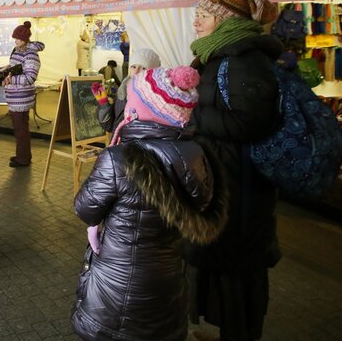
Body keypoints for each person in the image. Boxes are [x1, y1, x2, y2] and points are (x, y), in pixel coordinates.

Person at [73, 66, 228, 341]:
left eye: (133, 100)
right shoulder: (197, 155)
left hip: (116, 288)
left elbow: (85, 208)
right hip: (167, 284)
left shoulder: (118, 159)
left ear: (146, 110)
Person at [183, 0, 282, 341]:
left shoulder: (242, 59)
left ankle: (239, 333)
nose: (195, 21)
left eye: (203, 15)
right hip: (226, 178)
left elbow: (250, 121)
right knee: (221, 261)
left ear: (225, 22)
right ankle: (227, 329)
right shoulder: (220, 55)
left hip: (241, 187)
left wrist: (191, 118)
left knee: (238, 266)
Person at [3, 21, 45, 167]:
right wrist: (5, 68)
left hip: (21, 97)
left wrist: (10, 79)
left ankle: (23, 159)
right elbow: (16, 68)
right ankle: (23, 155)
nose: (15, 41)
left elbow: (30, 77)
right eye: (15, 38)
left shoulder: (31, 54)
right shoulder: (18, 50)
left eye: (18, 38)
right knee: (20, 128)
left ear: (25, 39)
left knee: (21, 129)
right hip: (16, 96)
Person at [100, 47, 161, 134]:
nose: (136, 72)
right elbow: (110, 126)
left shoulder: (159, 98)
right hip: (118, 145)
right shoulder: (123, 91)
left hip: (138, 146)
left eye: (143, 68)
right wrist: (104, 105)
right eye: (133, 67)